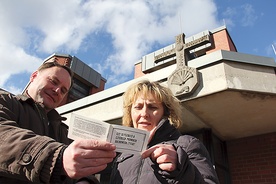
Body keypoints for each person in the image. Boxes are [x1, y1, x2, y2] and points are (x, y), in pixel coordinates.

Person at [0, 62, 116, 184]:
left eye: (63, 90)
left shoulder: (63, 131)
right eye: (53, 81)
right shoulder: (6, 101)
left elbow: (82, 170)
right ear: (34, 76)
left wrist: (85, 181)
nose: (57, 91)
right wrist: (57, 156)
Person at [110, 80, 219, 184]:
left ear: (166, 112)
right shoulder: (122, 153)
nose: (144, 113)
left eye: (152, 107)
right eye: (138, 107)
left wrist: (182, 169)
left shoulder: (187, 144)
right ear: (130, 113)